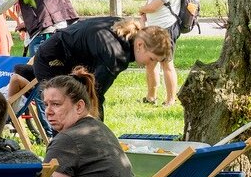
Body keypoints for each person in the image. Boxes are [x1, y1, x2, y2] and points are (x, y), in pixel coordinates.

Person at [29, 17, 172, 121]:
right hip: (52, 57)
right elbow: (93, 95)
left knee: (76, 110)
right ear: (140, 45)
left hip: (71, 57)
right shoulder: (115, 56)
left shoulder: (124, 31)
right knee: (63, 112)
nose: (151, 64)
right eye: (152, 59)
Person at [138, 0, 181, 106]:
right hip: (154, 28)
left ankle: (170, 100)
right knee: (150, 63)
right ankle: (151, 97)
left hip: (166, 28)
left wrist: (142, 9)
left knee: (166, 64)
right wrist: (145, 13)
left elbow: (154, 6)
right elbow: (151, 3)